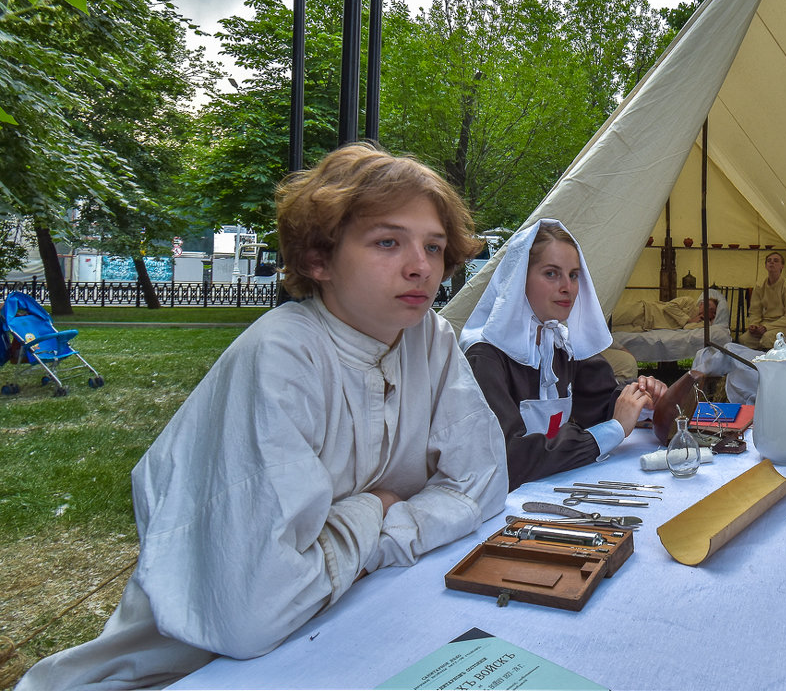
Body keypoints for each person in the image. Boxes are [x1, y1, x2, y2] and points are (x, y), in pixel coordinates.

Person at [17, 143, 508, 691]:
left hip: (349, 620)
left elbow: (481, 486)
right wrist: (377, 506)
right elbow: (251, 610)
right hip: (190, 669)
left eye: (435, 247)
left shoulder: (431, 340)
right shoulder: (282, 354)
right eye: (387, 242)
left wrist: (376, 536)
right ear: (318, 260)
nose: (421, 267)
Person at [461, 219, 667, 490]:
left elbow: (598, 405)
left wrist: (640, 401)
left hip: (553, 487)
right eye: (551, 273)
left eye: (573, 275)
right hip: (499, 509)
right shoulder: (485, 357)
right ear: (518, 280)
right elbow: (509, 457)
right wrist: (614, 429)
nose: (567, 287)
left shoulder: (560, 344)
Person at [738, 251, 786, 349]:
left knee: (767, 338)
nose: (772, 262)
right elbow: (755, 311)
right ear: (765, 266)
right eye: (769, 261)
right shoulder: (760, 286)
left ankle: (768, 362)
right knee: (744, 339)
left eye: (776, 261)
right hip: (767, 323)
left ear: (782, 266)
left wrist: (766, 328)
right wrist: (754, 325)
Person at [611, 295, 719, 332]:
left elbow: (687, 328)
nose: (707, 309)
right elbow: (669, 306)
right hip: (644, 310)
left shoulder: (701, 323)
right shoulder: (689, 301)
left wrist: (707, 322)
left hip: (645, 325)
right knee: (608, 320)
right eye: (707, 305)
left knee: (610, 331)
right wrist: (688, 319)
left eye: (712, 311)